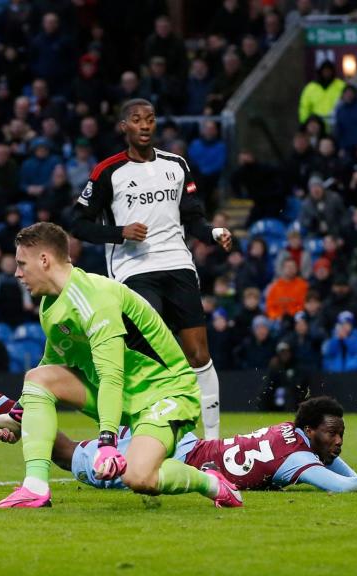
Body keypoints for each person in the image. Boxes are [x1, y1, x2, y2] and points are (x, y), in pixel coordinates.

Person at [0, 223, 241, 509]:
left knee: (139, 477)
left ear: (44, 260)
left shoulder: (95, 298)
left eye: (22, 263)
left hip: (165, 393)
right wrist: (18, 417)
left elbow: (112, 375)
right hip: (122, 395)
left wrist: (107, 444)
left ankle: (210, 481)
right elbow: (51, 365)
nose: (17, 273)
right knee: (39, 376)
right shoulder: (50, 305)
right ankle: (35, 488)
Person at [70, 99, 232, 440]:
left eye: (150, 119)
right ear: (123, 127)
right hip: (134, 271)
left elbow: (193, 218)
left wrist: (213, 233)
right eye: (136, 120)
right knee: (146, 350)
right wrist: (119, 233)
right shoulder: (107, 172)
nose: (144, 125)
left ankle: (214, 441)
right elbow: (77, 223)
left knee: (199, 354)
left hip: (178, 266)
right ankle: (142, 431)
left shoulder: (176, 166)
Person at [0, 383, 357, 494]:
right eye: (334, 434)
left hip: (183, 440)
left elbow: (338, 467)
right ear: (312, 431)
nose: (338, 443)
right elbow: (340, 485)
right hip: (175, 455)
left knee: (78, 443)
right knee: (70, 457)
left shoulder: (291, 435)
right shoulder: (296, 459)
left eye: (341, 435)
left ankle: (4, 408)